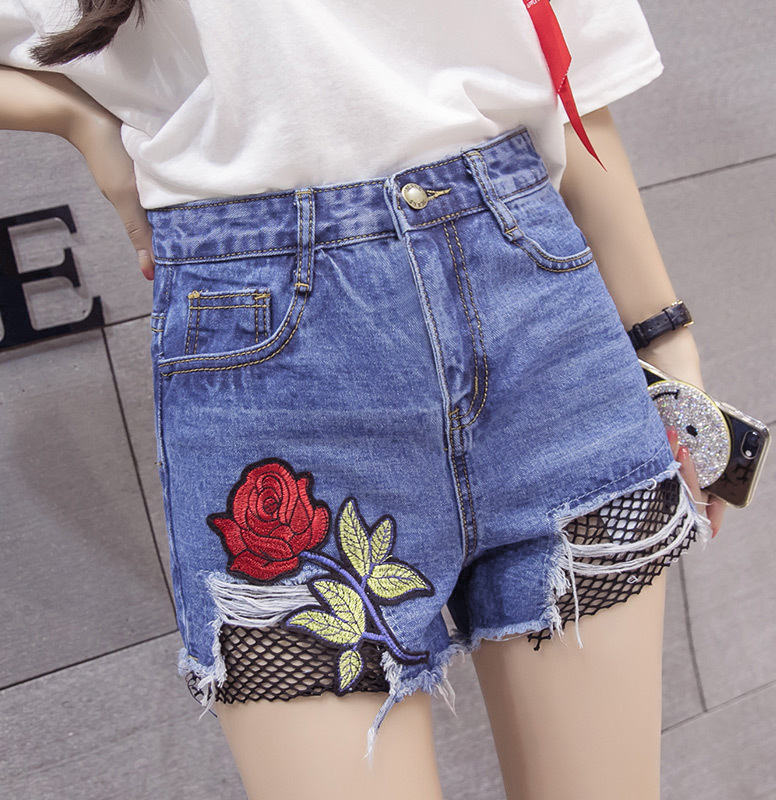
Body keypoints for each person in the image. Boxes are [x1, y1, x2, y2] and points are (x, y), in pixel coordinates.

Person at [0, 2, 727, 798]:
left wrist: (665, 339)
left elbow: (569, 68)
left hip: (539, 310)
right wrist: (80, 118)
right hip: (274, 362)